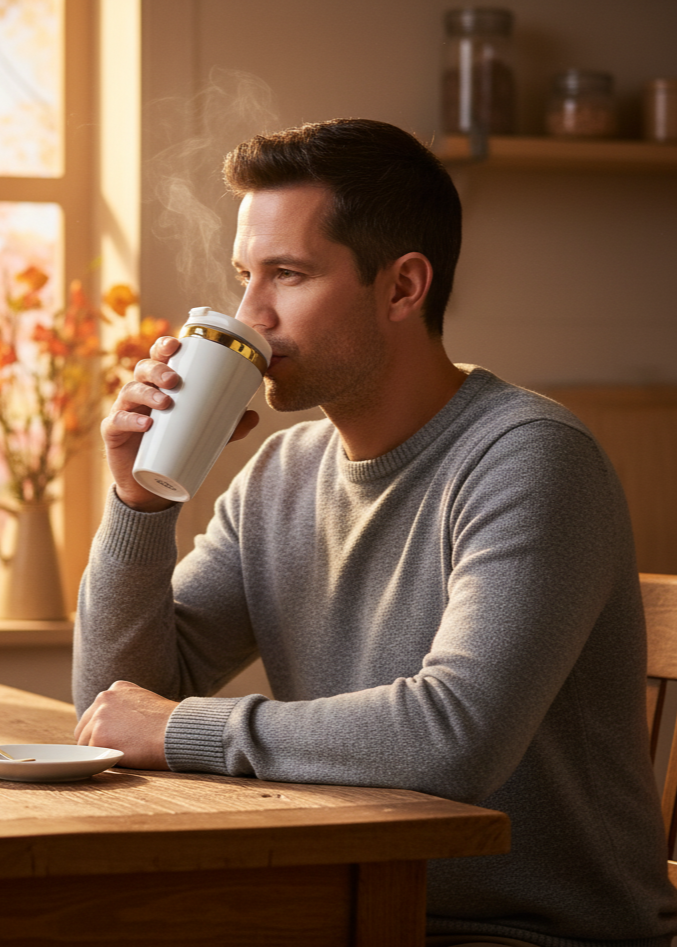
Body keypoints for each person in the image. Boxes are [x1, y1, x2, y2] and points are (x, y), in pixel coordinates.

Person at [73, 118, 677, 946]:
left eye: (286, 275)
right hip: (343, 908)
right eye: (245, 276)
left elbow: (453, 736)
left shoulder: (531, 459)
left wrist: (181, 728)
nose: (252, 315)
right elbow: (113, 709)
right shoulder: (281, 474)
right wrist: (140, 504)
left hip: (526, 934)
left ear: (402, 288)